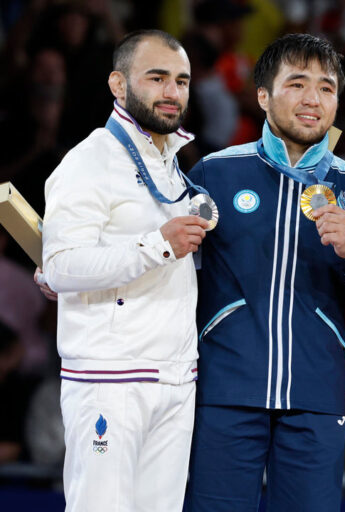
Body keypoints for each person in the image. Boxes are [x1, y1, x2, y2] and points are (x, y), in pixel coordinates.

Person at [183, 34, 345, 511]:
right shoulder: (215, 175)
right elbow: (175, 278)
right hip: (224, 391)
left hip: (316, 399)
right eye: (297, 84)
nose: (312, 99)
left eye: (326, 88)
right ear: (263, 95)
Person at [39, 30, 208, 511]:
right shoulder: (89, 161)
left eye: (182, 80)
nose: (172, 92)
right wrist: (157, 245)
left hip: (175, 379)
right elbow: (60, 266)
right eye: (157, 78)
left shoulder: (173, 165)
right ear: (119, 84)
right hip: (110, 381)